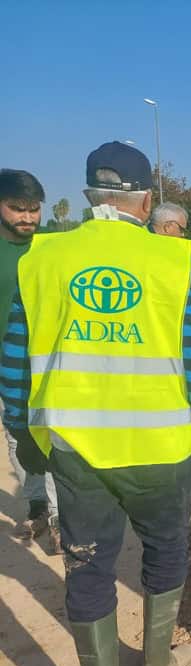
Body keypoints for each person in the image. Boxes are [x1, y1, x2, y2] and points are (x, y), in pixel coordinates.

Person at [0, 141, 191, 666]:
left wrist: (24, 436)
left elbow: (16, 362)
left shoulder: (42, 258)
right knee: (164, 552)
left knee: (88, 567)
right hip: (162, 449)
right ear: (145, 199)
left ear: (87, 196)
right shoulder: (174, 261)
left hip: (76, 450)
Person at [0, 169, 59, 545]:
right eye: (17, 209)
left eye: (33, 209)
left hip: (36, 359)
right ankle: (37, 504)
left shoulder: (51, 249)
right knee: (14, 433)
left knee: (44, 431)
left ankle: (57, 514)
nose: (27, 217)